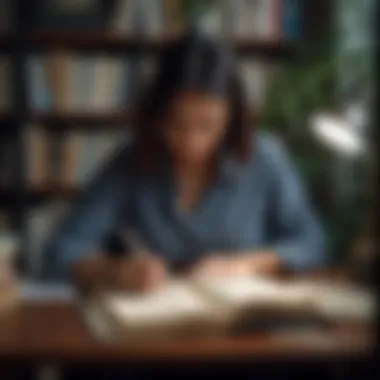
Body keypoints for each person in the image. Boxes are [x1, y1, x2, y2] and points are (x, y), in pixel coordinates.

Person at [42, 31, 326, 292]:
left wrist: (244, 265)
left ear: (232, 117)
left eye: (208, 125)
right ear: (156, 114)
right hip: (155, 325)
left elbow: (312, 242)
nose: (192, 141)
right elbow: (61, 250)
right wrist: (113, 271)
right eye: (176, 123)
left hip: (244, 325)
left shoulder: (264, 159)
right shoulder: (131, 161)